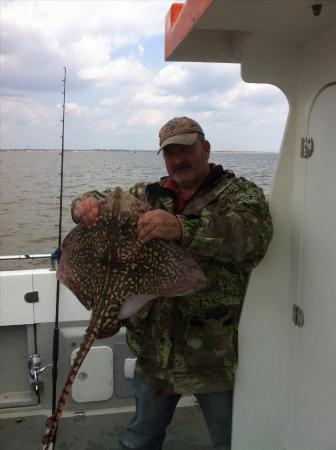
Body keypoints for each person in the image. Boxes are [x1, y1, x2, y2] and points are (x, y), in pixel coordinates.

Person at [71, 117, 273, 450]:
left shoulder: (239, 193)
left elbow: (252, 236)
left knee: (232, 440)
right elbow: (105, 198)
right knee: (141, 437)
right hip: (154, 352)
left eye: (185, 150)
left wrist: (182, 227)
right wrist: (83, 205)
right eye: (169, 153)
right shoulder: (146, 196)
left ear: (205, 148)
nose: (177, 160)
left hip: (213, 352)